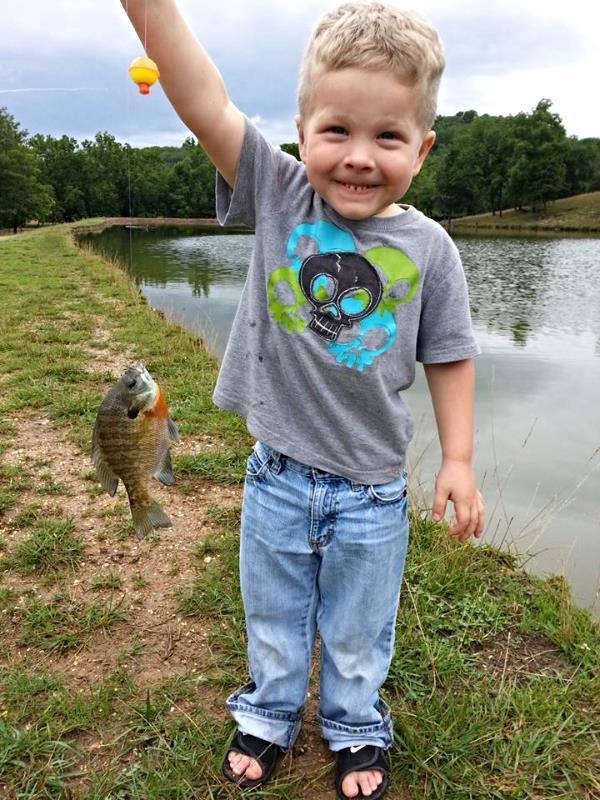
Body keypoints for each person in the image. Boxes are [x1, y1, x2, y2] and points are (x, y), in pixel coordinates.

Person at [122, 2, 485, 797]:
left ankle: (355, 725)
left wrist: (456, 459)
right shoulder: (279, 193)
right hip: (277, 476)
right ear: (299, 129)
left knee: (359, 628)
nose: (358, 158)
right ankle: (270, 713)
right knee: (275, 615)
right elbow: (203, 100)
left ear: (421, 148)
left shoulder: (432, 251)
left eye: (387, 137)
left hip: (372, 491)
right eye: (336, 131)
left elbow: (450, 355)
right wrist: (148, 12)